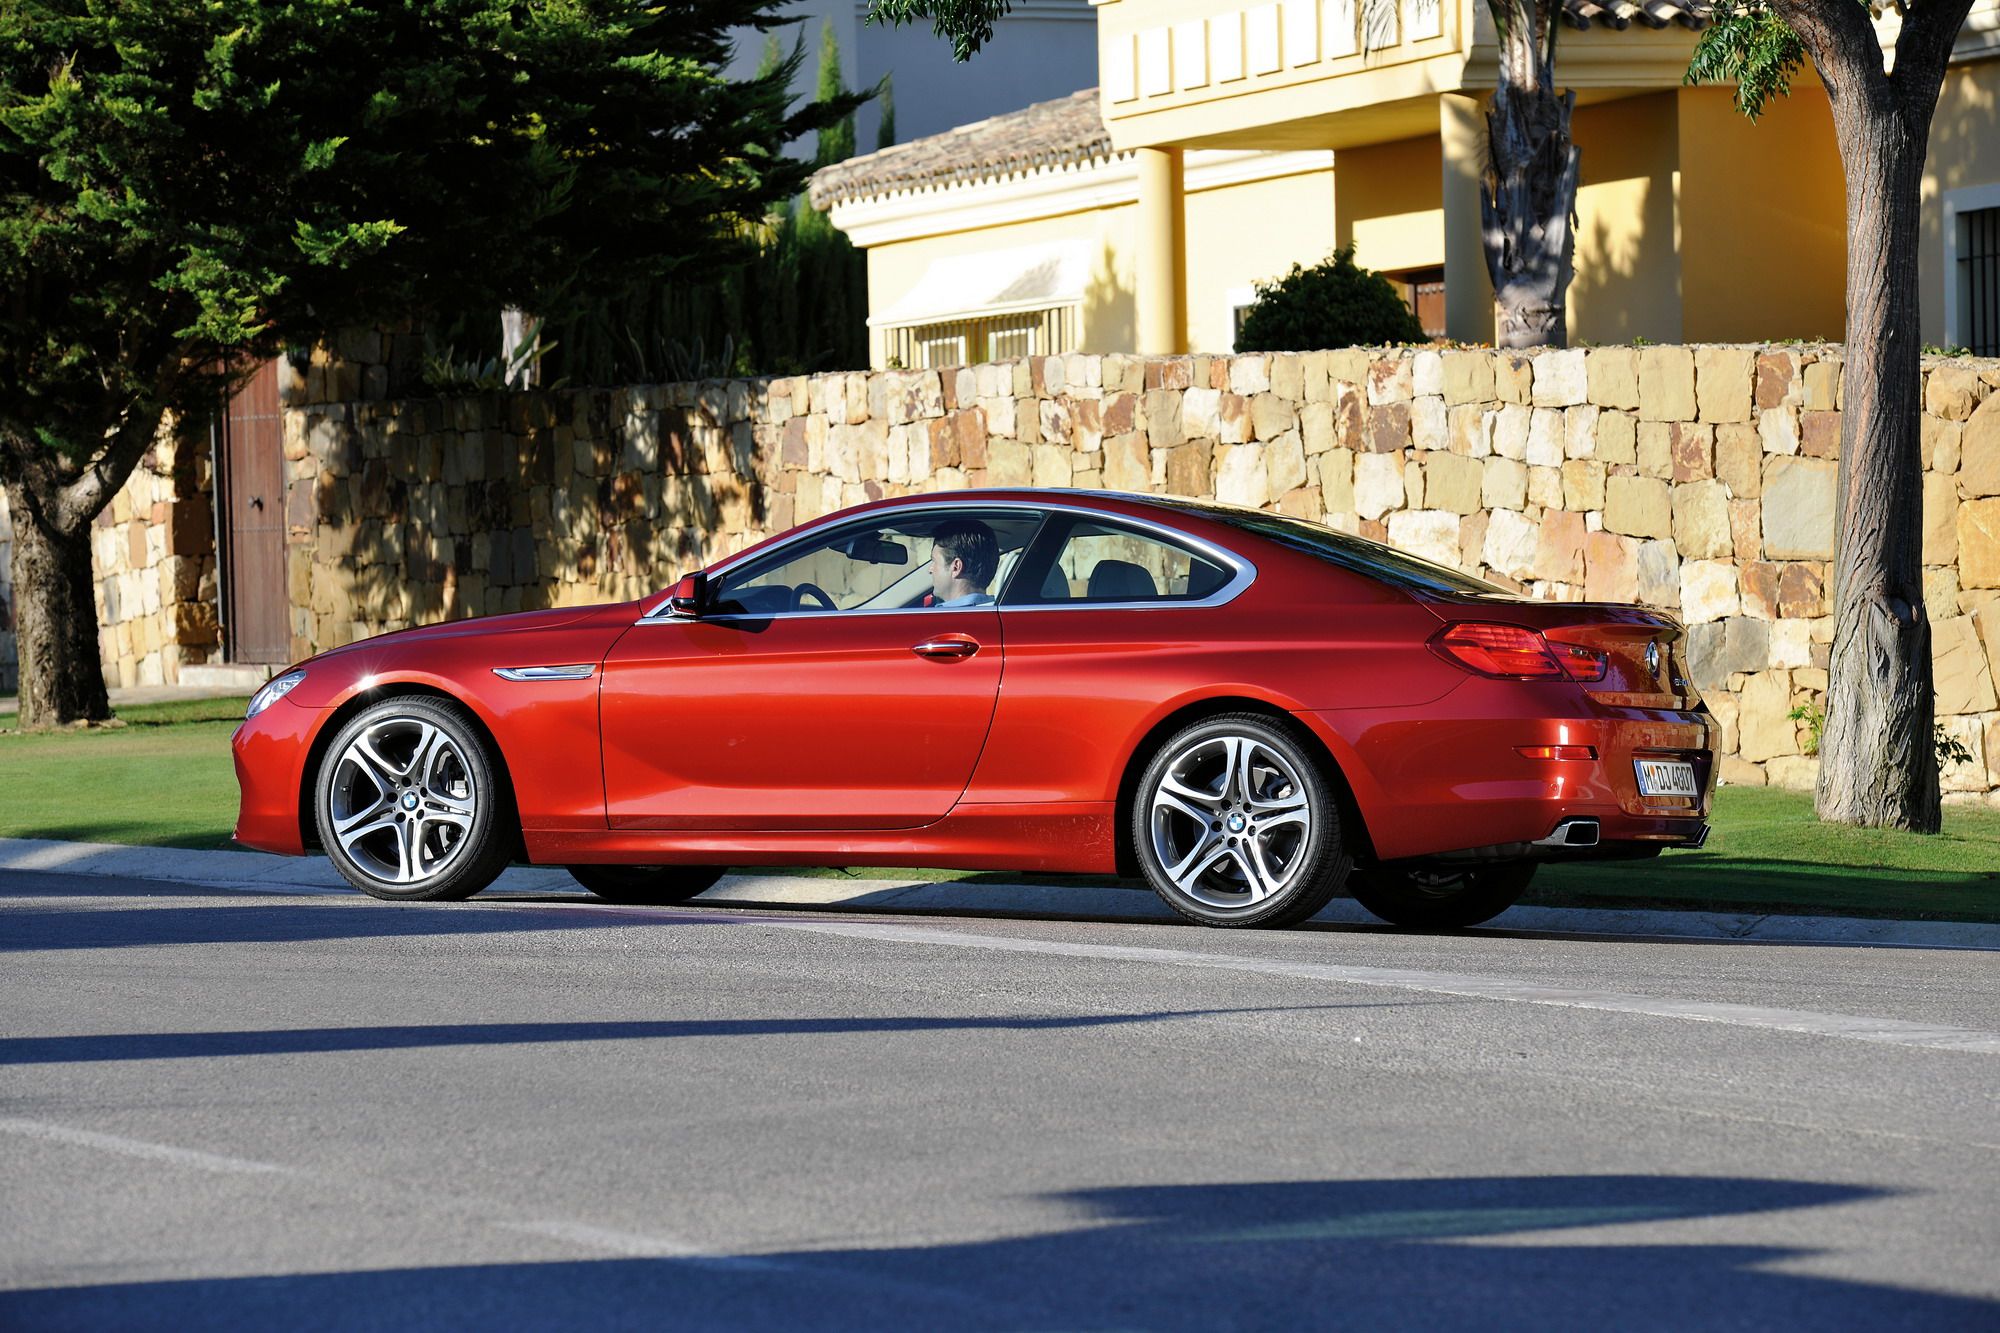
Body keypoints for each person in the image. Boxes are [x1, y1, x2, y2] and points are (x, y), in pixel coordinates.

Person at [929, 518, 998, 607]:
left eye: (934, 561)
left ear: (956, 567)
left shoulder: (942, 619)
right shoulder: (998, 610)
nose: (930, 569)